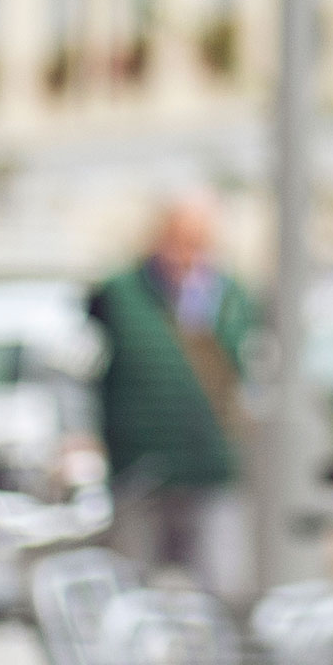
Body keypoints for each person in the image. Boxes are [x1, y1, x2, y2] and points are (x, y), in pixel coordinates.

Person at [91, 193, 263, 600]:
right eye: (178, 240)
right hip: (138, 469)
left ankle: (216, 663)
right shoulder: (118, 294)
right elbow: (77, 368)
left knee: (221, 588)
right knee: (133, 591)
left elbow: (251, 373)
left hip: (210, 467)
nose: (186, 254)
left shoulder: (232, 298)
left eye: (197, 242)